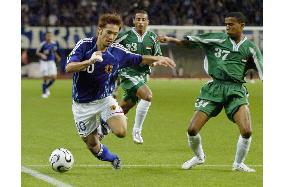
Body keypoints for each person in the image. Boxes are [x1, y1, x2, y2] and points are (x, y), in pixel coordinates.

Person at [65, 13, 175, 169]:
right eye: (108, 32)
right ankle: (113, 158)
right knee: (92, 145)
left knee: (121, 131)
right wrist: (89, 61)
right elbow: (69, 67)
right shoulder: (84, 45)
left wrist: (157, 59)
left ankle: (104, 123)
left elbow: (139, 58)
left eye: (115, 34)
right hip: (81, 105)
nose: (111, 37)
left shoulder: (117, 52)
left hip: (104, 100)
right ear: (99, 30)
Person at [158, 12, 263, 172]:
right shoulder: (217, 38)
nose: (227, 27)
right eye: (226, 24)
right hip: (214, 88)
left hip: (236, 90)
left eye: (231, 24)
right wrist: (171, 39)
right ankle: (199, 157)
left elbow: (263, 71)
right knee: (192, 130)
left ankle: (238, 163)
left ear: (242, 26)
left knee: (247, 131)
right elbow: (190, 42)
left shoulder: (251, 48)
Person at [114, 10, 162, 144]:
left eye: (143, 20)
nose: (140, 22)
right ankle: (137, 131)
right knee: (147, 96)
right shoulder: (125, 36)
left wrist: (158, 61)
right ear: (134, 21)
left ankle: (102, 127)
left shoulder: (153, 38)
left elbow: (157, 56)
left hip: (143, 76)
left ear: (148, 22)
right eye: (138, 19)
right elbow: (110, 48)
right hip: (127, 73)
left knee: (124, 108)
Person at [36, 31, 61, 98]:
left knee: (54, 77)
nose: (49, 37)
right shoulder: (43, 44)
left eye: (50, 36)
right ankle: (44, 93)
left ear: (52, 36)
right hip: (44, 62)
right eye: (47, 36)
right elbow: (37, 52)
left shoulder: (54, 44)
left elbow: (54, 51)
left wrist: (57, 57)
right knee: (46, 76)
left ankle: (45, 87)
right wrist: (42, 55)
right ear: (45, 36)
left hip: (51, 62)